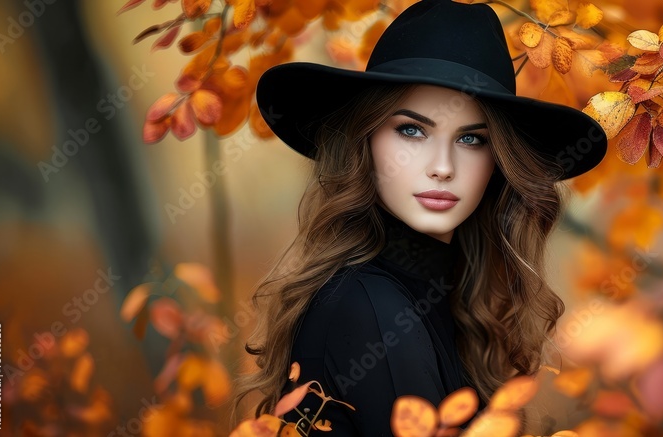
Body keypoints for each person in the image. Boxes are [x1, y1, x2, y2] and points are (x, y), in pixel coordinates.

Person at [231, 0, 608, 435]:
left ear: (500, 162)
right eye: (411, 129)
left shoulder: (449, 304)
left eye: (471, 139)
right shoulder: (371, 309)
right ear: (364, 139)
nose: (443, 166)